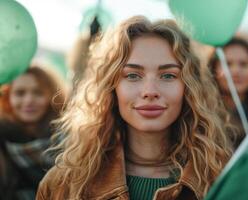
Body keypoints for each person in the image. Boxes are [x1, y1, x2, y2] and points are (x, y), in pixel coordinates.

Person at [36, 16, 233, 200]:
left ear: (189, 88)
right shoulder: (64, 184)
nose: (149, 91)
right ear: (112, 88)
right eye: (132, 75)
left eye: (168, 75)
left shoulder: (223, 181)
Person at [0, 66, 66, 200]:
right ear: (7, 97)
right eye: (20, 93)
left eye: (38, 92)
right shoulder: (2, 142)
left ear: (52, 95)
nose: (29, 100)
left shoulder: (72, 140)